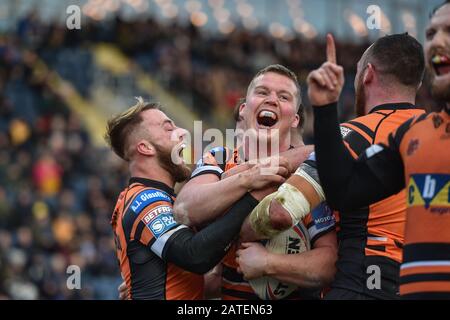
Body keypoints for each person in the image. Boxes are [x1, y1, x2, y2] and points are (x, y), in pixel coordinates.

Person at [310, 1, 450, 299]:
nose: (437, 41)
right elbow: (344, 190)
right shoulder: (419, 134)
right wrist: (325, 109)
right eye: (432, 32)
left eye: (449, 31)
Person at [174, 64, 337, 300]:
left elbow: (329, 264)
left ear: (294, 119)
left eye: (283, 96)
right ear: (242, 109)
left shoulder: (307, 170)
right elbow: (184, 209)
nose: (272, 100)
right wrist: (249, 177)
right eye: (262, 92)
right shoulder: (219, 158)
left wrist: (269, 263)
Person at [106, 98, 288, 299]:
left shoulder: (163, 199)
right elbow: (195, 255)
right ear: (145, 148)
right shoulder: (143, 199)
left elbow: (194, 279)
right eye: (168, 129)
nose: (182, 132)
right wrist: (252, 194)